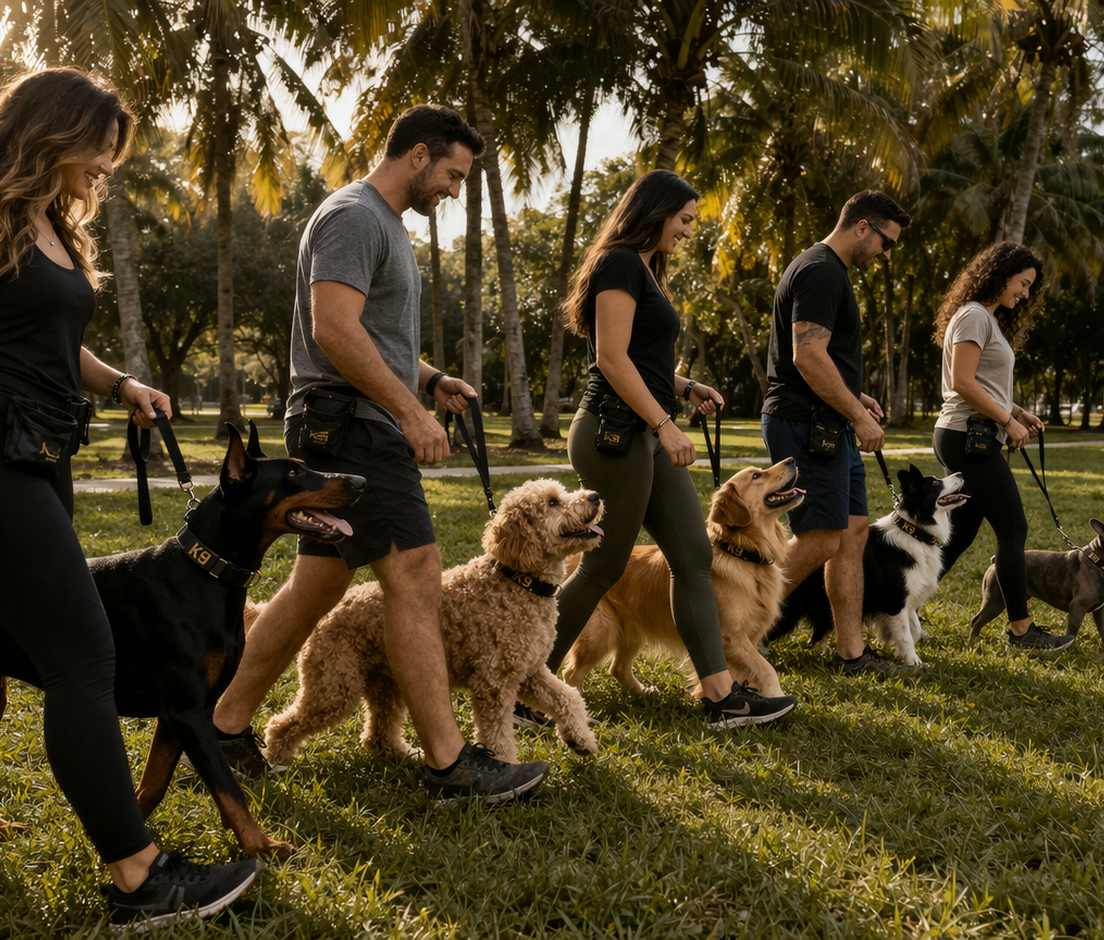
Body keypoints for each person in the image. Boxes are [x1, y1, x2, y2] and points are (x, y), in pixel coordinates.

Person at [0, 69, 262, 924]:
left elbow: (49, 342)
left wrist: (119, 384)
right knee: (83, 658)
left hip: (36, 455)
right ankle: (139, 874)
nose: (108, 166)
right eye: (100, 148)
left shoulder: (51, 224)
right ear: (52, 131)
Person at [208, 105, 548, 799]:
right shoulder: (356, 215)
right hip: (354, 426)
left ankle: (219, 726)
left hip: (350, 418)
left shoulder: (382, 223)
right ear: (418, 154)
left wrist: (427, 378)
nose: (454, 190)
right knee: (418, 576)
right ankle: (451, 764)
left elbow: (372, 335)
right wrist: (408, 410)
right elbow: (331, 328)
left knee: (319, 586)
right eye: (453, 174)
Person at [539, 169, 798, 729]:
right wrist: (665, 424)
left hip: (643, 431)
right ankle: (525, 683)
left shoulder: (645, 270)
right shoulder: (619, 262)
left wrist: (682, 387)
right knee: (603, 567)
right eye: (683, 219)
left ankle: (720, 696)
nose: (687, 230)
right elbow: (610, 358)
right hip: (615, 434)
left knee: (694, 558)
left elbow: (640, 355)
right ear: (655, 212)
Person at [761, 190, 913, 674]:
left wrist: (854, 399)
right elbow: (807, 356)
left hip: (829, 421)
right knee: (823, 537)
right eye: (887, 243)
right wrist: (861, 415)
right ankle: (732, 626)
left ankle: (851, 653)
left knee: (851, 535)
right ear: (863, 227)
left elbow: (822, 357)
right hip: (805, 423)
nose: (887, 255)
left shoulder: (831, 271)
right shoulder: (821, 269)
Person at [932, 242, 1073, 650]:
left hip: (968, 434)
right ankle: (1021, 630)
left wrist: (1018, 411)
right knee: (1013, 529)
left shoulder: (984, 318)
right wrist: (1007, 421)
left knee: (959, 533)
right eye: (1023, 283)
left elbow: (983, 383)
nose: (1026, 294)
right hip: (968, 436)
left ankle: (898, 605)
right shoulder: (975, 315)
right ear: (1000, 274)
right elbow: (962, 383)